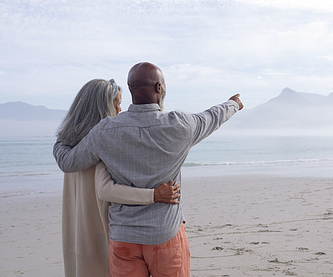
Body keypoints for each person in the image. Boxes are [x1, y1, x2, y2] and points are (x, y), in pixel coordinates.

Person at [54, 62, 243, 277]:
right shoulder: (180, 125)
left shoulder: (105, 130)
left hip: (123, 238)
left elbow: (68, 162)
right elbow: (212, 116)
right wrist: (233, 104)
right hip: (164, 235)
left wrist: (62, 139)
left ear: (130, 89)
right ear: (159, 88)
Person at [56, 78, 181, 277]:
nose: (120, 110)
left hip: (79, 232)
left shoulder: (69, 146)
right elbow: (106, 190)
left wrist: (59, 142)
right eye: (117, 103)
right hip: (103, 230)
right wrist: (154, 195)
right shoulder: (103, 142)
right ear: (103, 107)